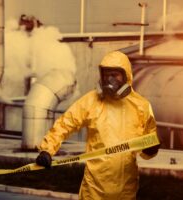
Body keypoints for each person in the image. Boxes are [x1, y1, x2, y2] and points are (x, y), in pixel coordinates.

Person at [35, 51, 160, 200]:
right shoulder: (91, 101)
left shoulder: (141, 106)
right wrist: (47, 150)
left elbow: (149, 142)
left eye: (115, 75)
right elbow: (65, 123)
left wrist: (151, 149)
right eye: (106, 75)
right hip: (94, 190)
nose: (110, 79)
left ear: (126, 76)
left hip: (126, 189)